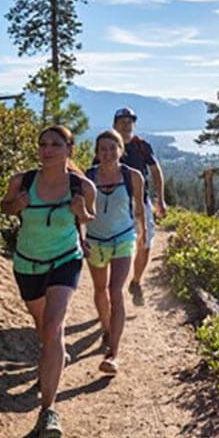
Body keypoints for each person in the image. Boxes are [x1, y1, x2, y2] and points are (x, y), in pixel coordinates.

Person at [0, 125, 96, 438]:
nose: (48, 149)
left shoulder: (81, 186)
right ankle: (53, 356)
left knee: (54, 326)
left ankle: (48, 411)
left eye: (56, 144)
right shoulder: (22, 181)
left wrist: (82, 212)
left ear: (70, 149)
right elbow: (6, 207)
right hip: (27, 263)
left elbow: (89, 216)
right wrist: (18, 205)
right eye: (43, 144)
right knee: (44, 329)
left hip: (65, 260)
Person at [84, 130, 147, 375]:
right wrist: (80, 239)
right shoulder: (87, 178)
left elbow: (139, 208)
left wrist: (141, 236)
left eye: (112, 148)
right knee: (100, 290)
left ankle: (114, 353)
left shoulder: (133, 177)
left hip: (123, 239)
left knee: (115, 290)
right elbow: (79, 211)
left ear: (121, 149)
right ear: (97, 153)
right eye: (103, 149)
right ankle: (107, 329)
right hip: (95, 241)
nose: (108, 153)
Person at [110, 107, 166, 304]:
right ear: (115, 124)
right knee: (116, 247)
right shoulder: (109, 145)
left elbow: (155, 170)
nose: (126, 124)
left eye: (129, 121)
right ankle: (115, 288)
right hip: (116, 205)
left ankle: (136, 281)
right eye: (122, 121)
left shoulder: (142, 146)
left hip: (140, 202)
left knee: (145, 244)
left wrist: (161, 199)